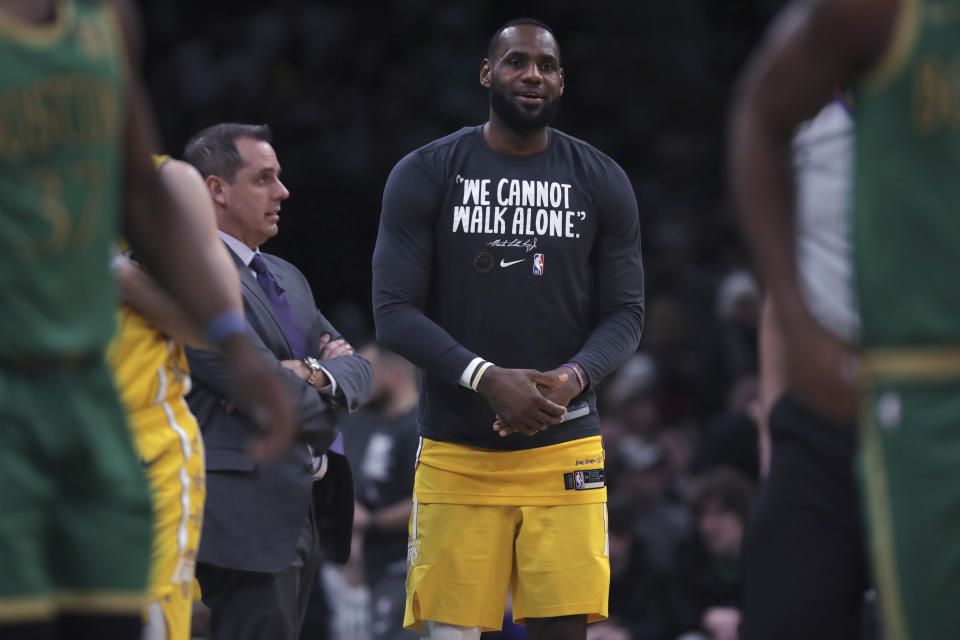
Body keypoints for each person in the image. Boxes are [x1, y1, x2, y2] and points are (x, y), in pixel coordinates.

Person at [0, 3, 294, 639]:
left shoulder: (104, 24)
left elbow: (138, 185)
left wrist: (238, 348)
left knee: (123, 622)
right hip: (16, 396)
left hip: (113, 425)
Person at [372, 18, 644, 640]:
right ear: (487, 73)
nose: (532, 75)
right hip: (457, 450)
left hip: (565, 446)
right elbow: (392, 310)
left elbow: (626, 314)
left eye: (546, 66)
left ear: (561, 82)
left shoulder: (601, 180)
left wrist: (572, 379)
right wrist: (488, 379)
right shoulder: (427, 171)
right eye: (517, 61)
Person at [729, 0, 960, 637]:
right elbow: (784, 298)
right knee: (785, 609)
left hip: (932, 392)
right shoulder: (827, 90)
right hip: (838, 398)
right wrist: (783, 407)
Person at [182, 122, 374, 640]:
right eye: (264, 179)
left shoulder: (288, 276)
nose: (283, 192)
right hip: (240, 513)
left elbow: (361, 372)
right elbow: (265, 394)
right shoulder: (188, 271)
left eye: (280, 177)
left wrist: (309, 373)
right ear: (217, 190)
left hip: (307, 505)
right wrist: (319, 384)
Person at [733, 95, 869, 639]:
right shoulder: (803, 112)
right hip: (819, 424)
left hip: (930, 418)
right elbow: (778, 298)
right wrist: (772, 420)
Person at [107, 156, 241, 640]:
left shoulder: (167, 182)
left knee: (149, 620)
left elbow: (216, 324)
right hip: (38, 440)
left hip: (146, 444)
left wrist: (117, 275)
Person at [350, 343, 420, 640]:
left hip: (407, 564)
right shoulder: (371, 422)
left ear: (394, 374)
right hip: (373, 563)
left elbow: (425, 500)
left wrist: (371, 521)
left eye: (367, 373)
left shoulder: (418, 426)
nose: (359, 383)